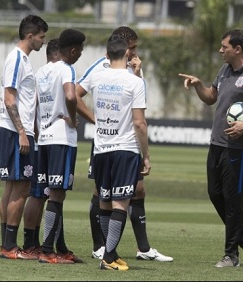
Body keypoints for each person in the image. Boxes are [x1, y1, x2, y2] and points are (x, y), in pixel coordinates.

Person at [75, 26, 172, 262]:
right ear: (124, 48)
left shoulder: (133, 73)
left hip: (121, 143)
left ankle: (141, 249)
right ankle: (103, 248)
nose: (136, 52)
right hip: (113, 142)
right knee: (105, 195)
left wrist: (138, 74)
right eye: (134, 47)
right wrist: (94, 120)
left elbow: (137, 103)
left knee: (136, 190)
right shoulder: (100, 68)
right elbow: (75, 93)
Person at [179, 29, 243, 268]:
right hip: (217, 143)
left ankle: (231, 255)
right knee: (214, 194)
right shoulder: (225, 69)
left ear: (237, 49)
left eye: (224, 47)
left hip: (238, 149)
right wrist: (198, 84)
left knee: (232, 200)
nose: (221, 50)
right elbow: (210, 97)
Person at [81, 34, 151, 270]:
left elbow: (73, 93)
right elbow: (139, 123)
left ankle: (110, 252)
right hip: (125, 149)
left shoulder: (97, 76)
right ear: (128, 54)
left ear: (107, 55)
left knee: (104, 201)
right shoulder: (134, 81)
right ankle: (108, 257)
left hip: (100, 149)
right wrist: (147, 156)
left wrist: (85, 118)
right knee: (121, 203)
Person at [0, 14, 48, 260]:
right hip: (15, 130)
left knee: (12, 186)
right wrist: (22, 132)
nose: (43, 42)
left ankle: (7, 245)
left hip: (15, 129)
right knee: (22, 186)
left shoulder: (22, 59)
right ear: (30, 36)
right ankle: (9, 247)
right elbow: (9, 98)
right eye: (41, 37)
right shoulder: (17, 58)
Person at [35, 28, 86, 264]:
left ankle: (61, 248)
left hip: (44, 137)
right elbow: (70, 95)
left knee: (56, 194)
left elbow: (36, 104)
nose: (80, 55)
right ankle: (47, 250)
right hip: (61, 138)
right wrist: (73, 118)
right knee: (57, 194)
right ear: (73, 50)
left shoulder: (43, 71)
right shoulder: (66, 69)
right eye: (80, 51)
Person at [22, 38, 60, 256]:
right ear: (56, 54)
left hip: (44, 138)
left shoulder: (42, 74)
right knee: (37, 194)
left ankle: (34, 241)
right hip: (42, 140)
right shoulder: (49, 73)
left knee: (42, 193)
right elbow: (34, 106)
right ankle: (29, 243)